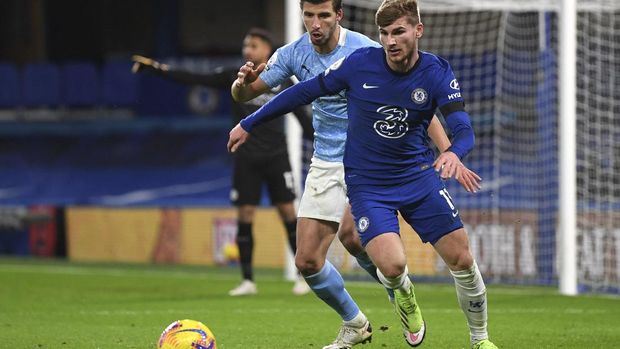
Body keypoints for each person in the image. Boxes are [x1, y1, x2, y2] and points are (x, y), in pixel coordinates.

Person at [227, 0, 498, 348]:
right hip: (355, 174)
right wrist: (246, 114)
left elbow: (445, 119)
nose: (390, 41)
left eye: (397, 32)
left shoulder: (416, 65)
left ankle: (480, 339)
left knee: (454, 257)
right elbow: (296, 91)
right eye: (384, 34)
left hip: (408, 173)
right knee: (346, 261)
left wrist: (451, 154)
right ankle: (381, 307)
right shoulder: (342, 62)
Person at [131, 27, 313, 296]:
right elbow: (196, 78)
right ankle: (248, 281)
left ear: (267, 50)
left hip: (277, 157)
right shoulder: (235, 78)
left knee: (288, 214)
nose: (247, 50)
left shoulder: (285, 82)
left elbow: (304, 122)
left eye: (253, 45)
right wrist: (159, 69)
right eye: (245, 45)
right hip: (246, 159)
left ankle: (302, 277)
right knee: (245, 216)